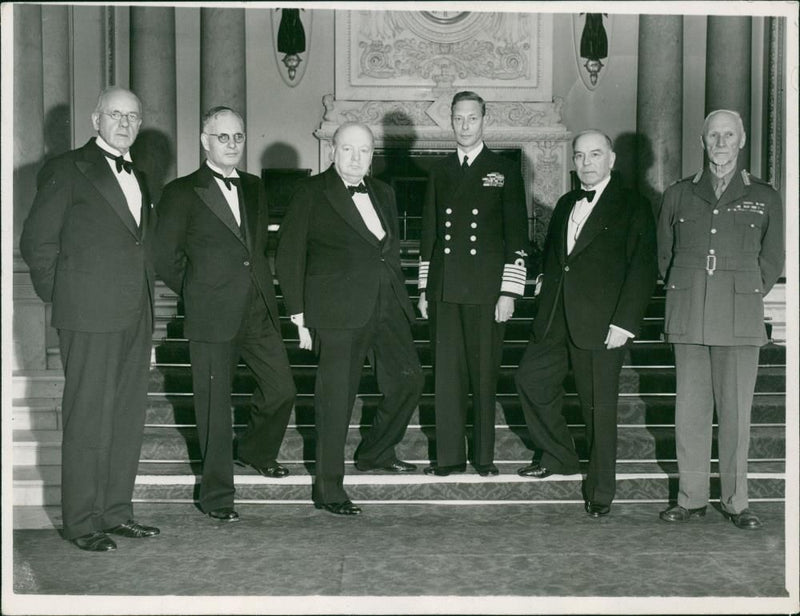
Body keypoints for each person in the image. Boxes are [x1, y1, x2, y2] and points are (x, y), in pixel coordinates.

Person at [20, 86, 160, 551]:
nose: (125, 123)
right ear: (94, 119)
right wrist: (67, 300)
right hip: (87, 313)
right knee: (87, 419)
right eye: (115, 114)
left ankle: (117, 512)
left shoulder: (140, 175)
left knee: (126, 417)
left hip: (135, 314)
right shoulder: (67, 169)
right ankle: (81, 521)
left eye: (133, 117)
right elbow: (37, 244)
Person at [153, 106, 296, 523]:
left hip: (258, 308)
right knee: (214, 408)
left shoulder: (254, 187)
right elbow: (164, 256)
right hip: (211, 312)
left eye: (238, 137)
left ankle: (254, 450)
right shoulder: (182, 192)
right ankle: (216, 495)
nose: (232, 144)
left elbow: (255, 250)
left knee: (282, 389)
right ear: (205, 141)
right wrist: (197, 291)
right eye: (223, 137)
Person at [275, 121, 424, 516]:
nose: (356, 158)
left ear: (372, 156)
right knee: (335, 401)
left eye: (364, 151)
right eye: (348, 150)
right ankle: (328, 489)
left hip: (387, 305)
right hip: (337, 312)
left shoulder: (384, 192)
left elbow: (385, 251)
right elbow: (289, 255)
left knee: (409, 379)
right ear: (333, 152)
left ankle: (375, 450)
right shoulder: (311, 192)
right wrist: (299, 316)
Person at [514, 129, 657, 517]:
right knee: (530, 379)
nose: (586, 163)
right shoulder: (565, 202)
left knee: (598, 409)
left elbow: (642, 269)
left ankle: (600, 490)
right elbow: (556, 253)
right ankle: (559, 455)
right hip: (555, 318)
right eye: (579, 156)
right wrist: (544, 278)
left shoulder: (634, 206)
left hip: (602, 323)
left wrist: (624, 323)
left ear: (611, 160)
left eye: (595, 155)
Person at [657, 110, 784, 530]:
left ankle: (736, 501)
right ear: (702, 140)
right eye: (714, 135)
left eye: (729, 135)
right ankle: (690, 498)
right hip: (690, 311)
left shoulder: (764, 196)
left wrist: (743, 293)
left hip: (738, 314)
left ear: (742, 140)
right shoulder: (679, 194)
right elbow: (665, 254)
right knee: (689, 413)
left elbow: (772, 258)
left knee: (735, 415)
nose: (722, 142)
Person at [418, 91, 529, 477]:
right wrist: (424, 290)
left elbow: (517, 235)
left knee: (484, 375)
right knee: (447, 377)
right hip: (445, 289)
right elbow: (429, 233)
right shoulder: (440, 170)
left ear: (485, 120)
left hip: (487, 292)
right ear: (451, 121)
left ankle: (483, 457)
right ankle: (448, 457)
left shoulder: (505, 169)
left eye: (472, 119)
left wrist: (510, 291)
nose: (465, 126)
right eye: (458, 119)